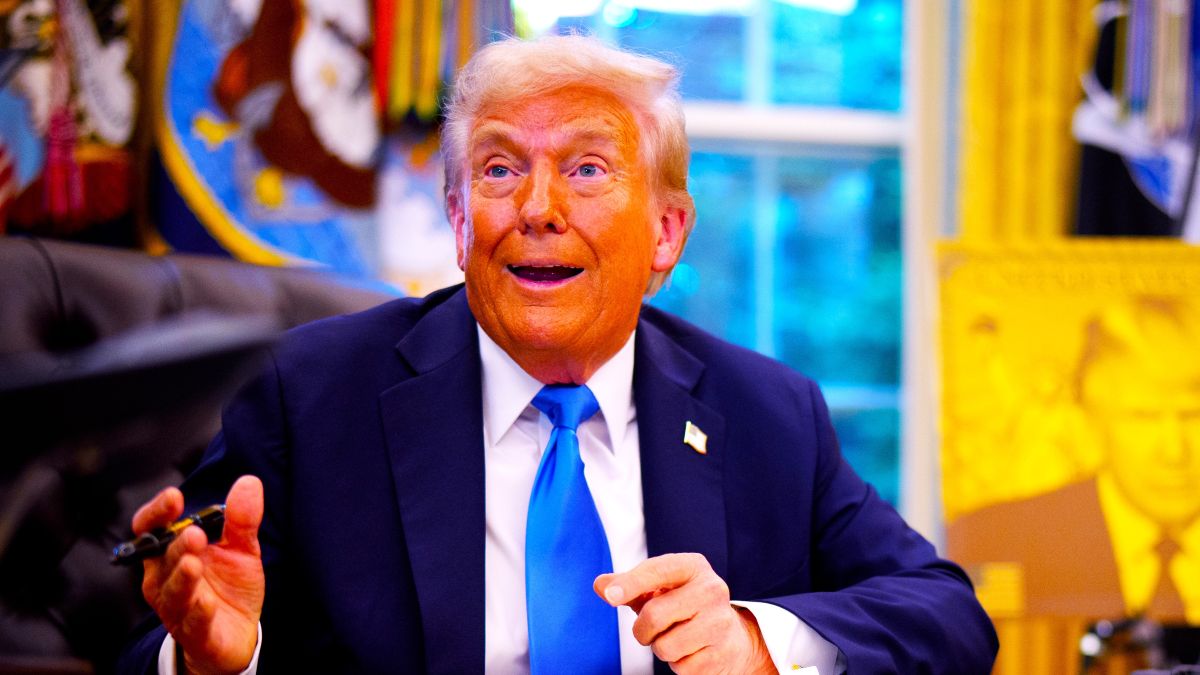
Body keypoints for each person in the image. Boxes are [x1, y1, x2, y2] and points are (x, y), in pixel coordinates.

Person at [119, 35, 997, 674]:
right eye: (499, 171)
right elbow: (145, 645)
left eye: (585, 169)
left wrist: (756, 638)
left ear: (665, 232)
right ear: (459, 223)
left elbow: (949, 615)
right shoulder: (310, 396)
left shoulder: (769, 413)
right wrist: (215, 663)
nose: (537, 208)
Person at [949, 296, 1200, 623]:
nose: (1174, 451)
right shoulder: (997, 538)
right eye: (1144, 416)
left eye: (1193, 415)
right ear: (1094, 419)